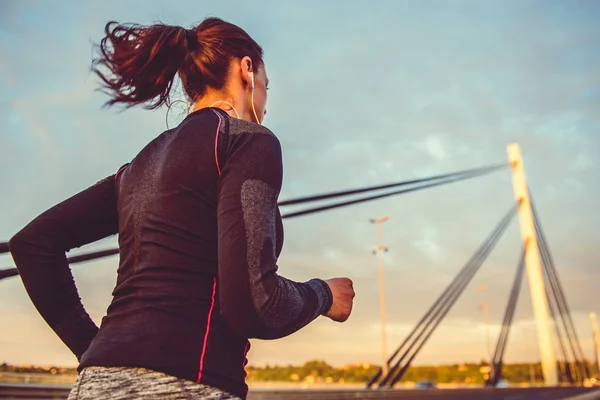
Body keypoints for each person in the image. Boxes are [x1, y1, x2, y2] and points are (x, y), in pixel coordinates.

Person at [8, 17, 355, 400]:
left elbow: (33, 243)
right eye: (266, 88)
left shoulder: (140, 165)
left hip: (94, 386)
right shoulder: (247, 142)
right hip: (187, 385)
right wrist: (323, 295)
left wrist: (94, 350)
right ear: (247, 69)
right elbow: (254, 304)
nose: (265, 104)